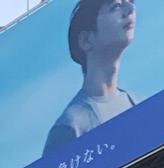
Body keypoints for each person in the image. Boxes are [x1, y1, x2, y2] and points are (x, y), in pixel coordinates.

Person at [45, 0, 138, 153]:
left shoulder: (138, 101)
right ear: (86, 40)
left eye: (131, 2)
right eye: (116, 6)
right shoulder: (71, 126)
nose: (130, 10)